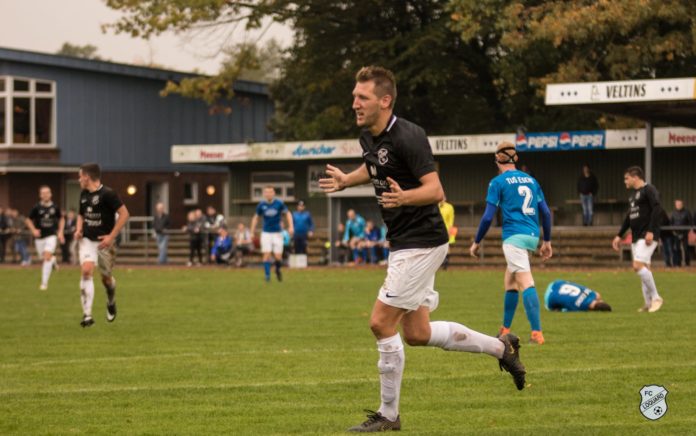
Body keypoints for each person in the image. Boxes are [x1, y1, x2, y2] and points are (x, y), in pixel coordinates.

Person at [319, 66, 526, 432]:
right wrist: (347, 180)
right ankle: (502, 348)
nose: (355, 103)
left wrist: (404, 198)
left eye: (362, 97)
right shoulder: (369, 136)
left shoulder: (409, 135)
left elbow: (435, 191)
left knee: (380, 323)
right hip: (404, 242)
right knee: (416, 333)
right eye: (354, 96)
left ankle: (388, 416)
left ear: (384, 100)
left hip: (422, 242)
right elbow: (375, 165)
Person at [470, 141, 553, 345]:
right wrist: (547, 241)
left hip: (513, 237)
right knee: (510, 281)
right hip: (531, 236)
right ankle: (505, 329)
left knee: (525, 281)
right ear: (515, 158)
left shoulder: (497, 182)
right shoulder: (532, 181)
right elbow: (546, 213)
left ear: (498, 159)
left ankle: (537, 333)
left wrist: (476, 241)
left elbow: (488, 217)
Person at [75, 163, 130, 327]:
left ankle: (111, 301)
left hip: (105, 244)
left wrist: (111, 237)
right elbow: (81, 214)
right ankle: (87, 316)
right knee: (86, 271)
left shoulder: (108, 194)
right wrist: (79, 229)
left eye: (80, 176)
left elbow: (125, 214)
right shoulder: (83, 194)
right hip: (87, 240)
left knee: (106, 280)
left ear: (87, 177)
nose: (79, 179)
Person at [612, 166, 664, 313]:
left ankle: (656, 297)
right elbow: (629, 217)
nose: (625, 181)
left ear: (635, 177)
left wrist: (651, 231)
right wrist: (619, 235)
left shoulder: (649, 189)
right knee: (645, 269)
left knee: (637, 266)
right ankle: (648, 304)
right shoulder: (633, 196)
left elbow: (657, 208)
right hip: (636, 237)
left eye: (626, 178)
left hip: (646, 236)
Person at [250, 185, 294, 282]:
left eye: (271, 192)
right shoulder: (261, 205)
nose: (269, 194)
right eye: (267, 192)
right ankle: (267, 276)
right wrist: (252, 231)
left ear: (274, 193)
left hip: (277, 232)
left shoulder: (279, 203)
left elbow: (288, 214)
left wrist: (291, 226)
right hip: (266, 233)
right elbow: (255, 218)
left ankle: (277, 270)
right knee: (266, 254)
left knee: (278, 256)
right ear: (264, 194)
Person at [26, 186, 65, 291]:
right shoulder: (36, 208)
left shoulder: (55, 207)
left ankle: (44, 283)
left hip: (51, 236)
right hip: (39, 238)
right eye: (43, 193)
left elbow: (61, 218)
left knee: (46, 257)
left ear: (50, 194)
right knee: (44, 258)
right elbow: (28, 220)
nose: (45, 195)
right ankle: (53, 260)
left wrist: (60, 232)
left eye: (47, 193)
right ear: (40, 195)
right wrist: (33, 230)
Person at [544, 280, 612, 312]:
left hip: (555, 283)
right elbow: (565, 309)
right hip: (549, 298)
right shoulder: (581, 307)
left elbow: (597, 294)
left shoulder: (591, 293)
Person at [671, 199, 693, 267]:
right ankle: (678, 263)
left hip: (684, 234)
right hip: (676, 234)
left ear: (682, 204)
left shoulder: (687, 212)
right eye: (677, 204)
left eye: (679, 204)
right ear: (675, 205)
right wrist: (674, 232)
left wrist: (685, 232)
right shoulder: (673, 213)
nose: (678, 205)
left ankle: (687, 263)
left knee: (686, 248)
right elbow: (671, 223)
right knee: (677, 249)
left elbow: (690, 223)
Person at [438, 197, 456, 269]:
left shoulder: (449, 207)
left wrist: (450, 230)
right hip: (438, 230)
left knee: (447, 246)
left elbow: (451, 219)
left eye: (443, 199)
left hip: (447, 229)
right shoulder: (436, 207)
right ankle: (442, 262)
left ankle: (446, 263)